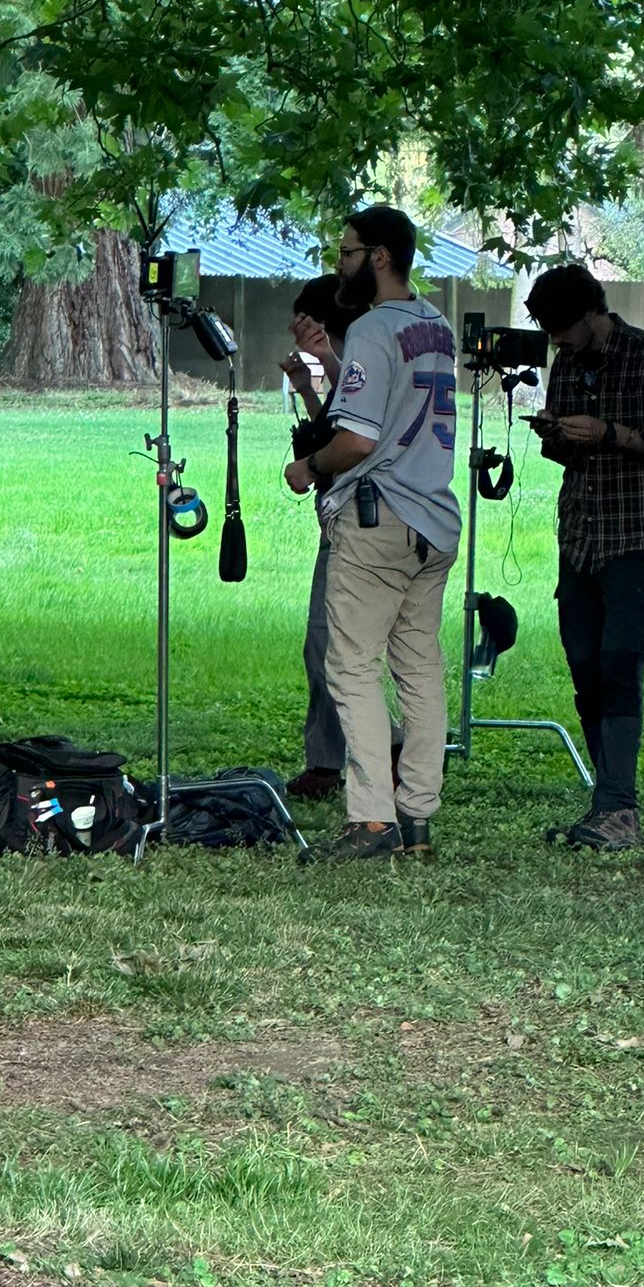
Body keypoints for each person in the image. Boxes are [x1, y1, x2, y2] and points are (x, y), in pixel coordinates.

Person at [284, 206, 460, 860]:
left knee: (352, 665)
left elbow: (357, 440)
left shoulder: (373, 328)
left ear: (379, 257)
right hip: (434, 519)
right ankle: (417, 816)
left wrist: (309, 467)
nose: (340, 265)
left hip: (377, 518)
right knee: (420, 669)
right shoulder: (436, 326)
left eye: (348, 252)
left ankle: (372, 821)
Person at [525, 262, 644, 850]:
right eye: (548, 330)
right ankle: (607, 801)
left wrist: (611, 433)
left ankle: (619, 808)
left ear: (591, 312)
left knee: (621, 666)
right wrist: (556, 435)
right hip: (579, 536)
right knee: (584, 670)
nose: (555, 340)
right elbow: (568, 456)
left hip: (634, 536)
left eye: (561, 327)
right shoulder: (566, 363)